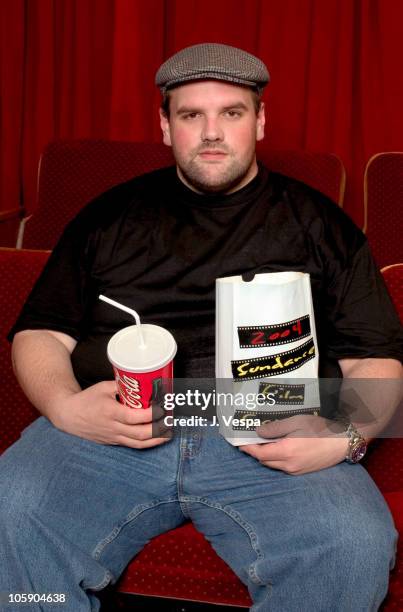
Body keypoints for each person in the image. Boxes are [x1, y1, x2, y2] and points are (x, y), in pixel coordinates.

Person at [1, 42, 402, 612]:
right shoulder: (108, 215)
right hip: (118, 426)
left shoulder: (321, 224)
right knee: (8, 510)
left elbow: (375, 356)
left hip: (269, 423)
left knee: (352, 544)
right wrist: (64, 406)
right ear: (166, 127)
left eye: (231, 113)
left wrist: (347, 435)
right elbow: (40, 332)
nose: (212, 132)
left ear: (259, 121)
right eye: (192, 115)